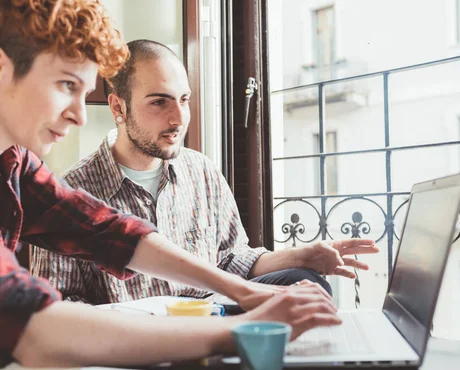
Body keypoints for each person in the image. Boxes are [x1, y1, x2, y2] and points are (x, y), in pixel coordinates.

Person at [0, 0, 344, 370]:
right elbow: (29, 329)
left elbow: (104, 230)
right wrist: (244, 330)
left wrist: (244, 289)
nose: (77, 116)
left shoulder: (10, 159)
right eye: (66, 86)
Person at [31, 39, 379, 305]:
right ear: (118, 107)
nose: (180, 118)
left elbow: (234, 259)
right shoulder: (72, 193)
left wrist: (303, 255)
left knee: (307, 285)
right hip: (137, 348)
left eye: (184, 100)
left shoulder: (201, 171)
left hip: (217, 324)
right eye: (159, 102)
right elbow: (58, 304)